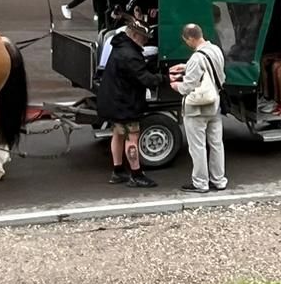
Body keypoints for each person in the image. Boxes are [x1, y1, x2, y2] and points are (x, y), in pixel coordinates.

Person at [96, 15, 161, 188]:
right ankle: (136, 174)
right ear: (134, 35)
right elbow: (145, 79)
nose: (145, 42)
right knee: (132, 138)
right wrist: (164, 78)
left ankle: (118, 171)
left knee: (117, 134)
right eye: (143, 38)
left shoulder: (119, 45)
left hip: (112, 100)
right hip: (126, 103)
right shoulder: (130, 54)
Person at [171, 22, 227, 194]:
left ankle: (200, 183)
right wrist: (186, 66)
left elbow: (188, 86)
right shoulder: (216, 49)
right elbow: (214, 73)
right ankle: (219, 180)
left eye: (186, 40)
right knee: (216, 144)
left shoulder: (196, 58)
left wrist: (175, 86)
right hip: (214, 104)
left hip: (197, 109)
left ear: (190, 38)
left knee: (198, 147)